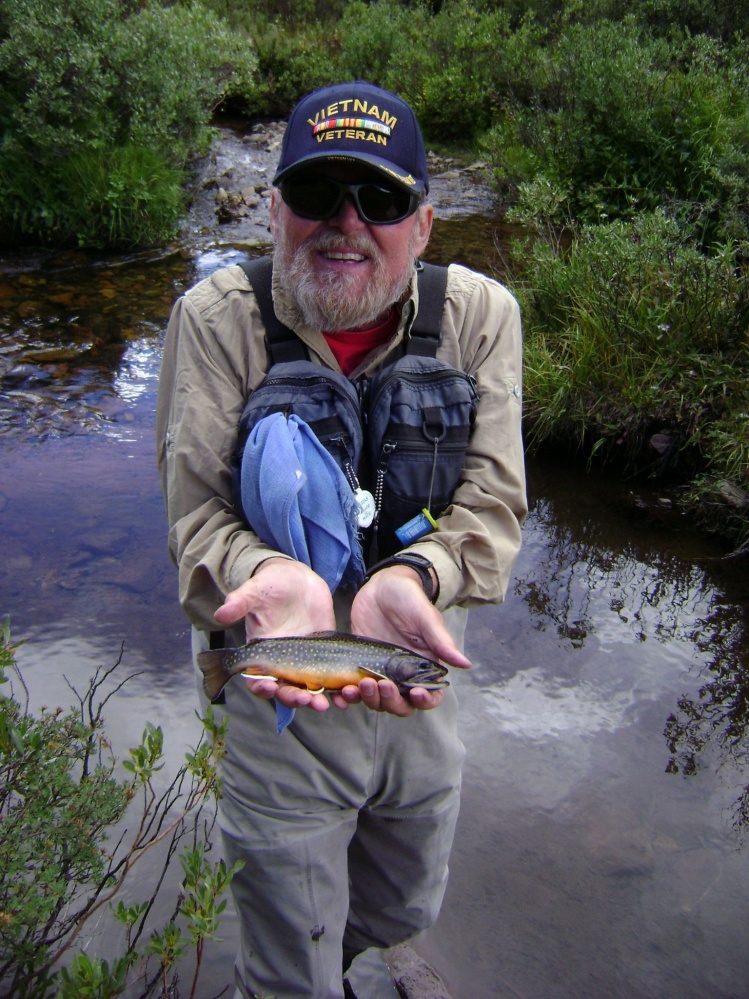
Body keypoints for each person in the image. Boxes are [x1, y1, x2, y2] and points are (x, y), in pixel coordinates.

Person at [156, 81, 527, 999]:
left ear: (426, 223)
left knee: (403, 905)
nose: (346, 224)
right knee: (289, 967)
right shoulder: (214, 320)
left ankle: (361, 954)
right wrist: (272, 575)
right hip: (281, 673)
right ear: (274, 208)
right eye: (317, 195)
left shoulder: (482, 316)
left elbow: (491, 505)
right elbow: (195, 516)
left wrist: (418, 573)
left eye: (382, 200)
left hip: (415, 659)